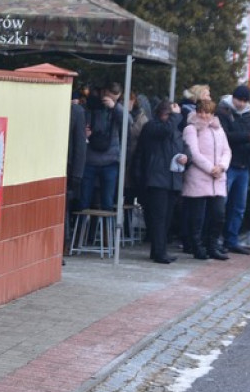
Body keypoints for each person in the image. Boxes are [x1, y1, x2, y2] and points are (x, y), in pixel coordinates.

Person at [135, 100, 188, 263]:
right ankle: (159, 252)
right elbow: (165, 130)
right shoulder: (152, 127)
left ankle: (159, 249)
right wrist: (176, 116)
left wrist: (187, 157)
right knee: (158, 217)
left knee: (167, 218)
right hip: (156, 179)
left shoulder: (173, 130)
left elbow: (184, 146)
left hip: (172, 179)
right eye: (169, 115)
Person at [217, 85, 250, 254]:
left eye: (245, 101)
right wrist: (248, 137)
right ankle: (216, 239)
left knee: (238, 207)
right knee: (221, 205)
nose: (242, 103)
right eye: (239, 99)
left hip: (244, 166)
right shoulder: (223, 112)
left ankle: (231, 239)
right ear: (233, 97)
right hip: (228, 165)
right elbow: (225, 137)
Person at [182, 99, 231, 260]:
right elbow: (193, 153)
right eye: (201, 111)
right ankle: (197, 247)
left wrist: (222, 166)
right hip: (199, 177)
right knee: (197, 217)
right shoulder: (191, 129)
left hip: (217, 179)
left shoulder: (218, 129)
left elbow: (226, 151)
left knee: (218, 214)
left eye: (207, 112)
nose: (203, 115)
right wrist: (211, 168)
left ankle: (212, 245)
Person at [80, 83, 125, 212]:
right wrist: (84, 134)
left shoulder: (116, 109)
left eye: (114, 99)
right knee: (84, 203)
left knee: (107, 204)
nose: (109, 101)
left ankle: (106, 232)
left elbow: (128, 123)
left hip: (110, 161)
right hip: (90, 159)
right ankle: (84, 230)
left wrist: (115, 107)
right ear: (103, 92)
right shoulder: (89, 106)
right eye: (109, 97)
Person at [65, 91, 87, 254]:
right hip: (70, 166)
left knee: (64, 209)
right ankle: (64, 245)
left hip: (68, 166)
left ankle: (64, 244)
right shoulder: (77, 112)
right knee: (64, 208)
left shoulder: (76, 112)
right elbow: (80, 145)